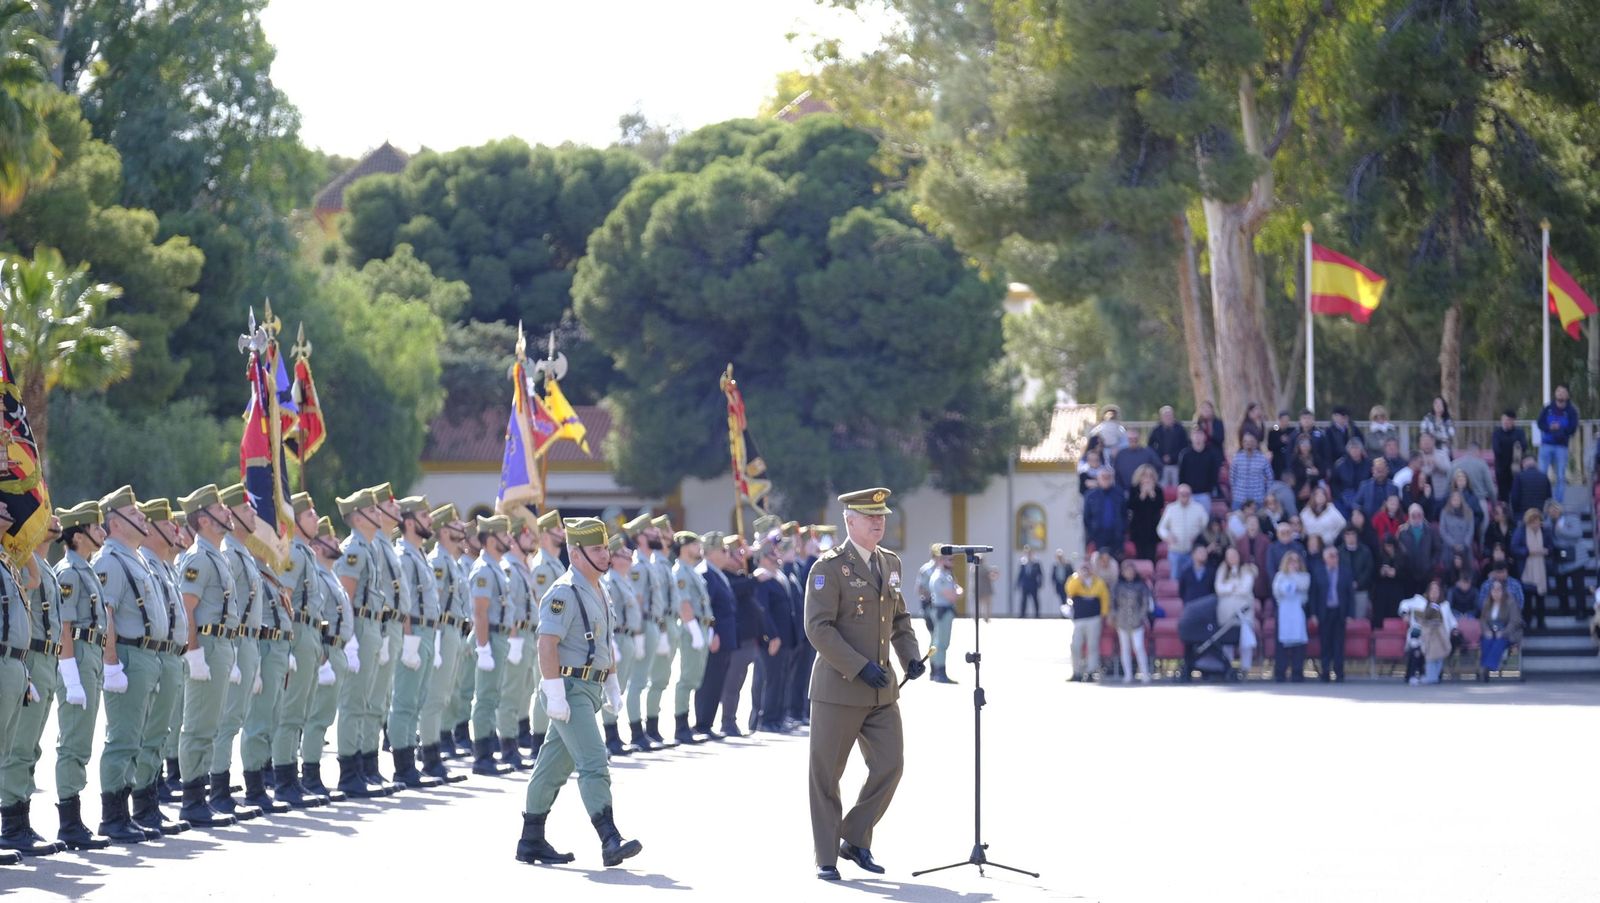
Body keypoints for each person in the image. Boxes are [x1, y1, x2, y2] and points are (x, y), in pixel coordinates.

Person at [804, 488, 923, 881]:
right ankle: (826, 856)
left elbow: (900, 618)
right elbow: (818, 628)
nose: (878, 522)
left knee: (890, 764)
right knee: (826, 774)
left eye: (882, 516)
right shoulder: (829, 567)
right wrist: (859, 667)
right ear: (849, 521)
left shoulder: (890, 563)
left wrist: (911, 657)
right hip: (839, 688)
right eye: (870, 516)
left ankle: (854, 837)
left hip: (881, 691)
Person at [514, 518, 640, 868]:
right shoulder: (565, 591)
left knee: (551, 767)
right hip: (569, 688)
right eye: (598, 549)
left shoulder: (599, 590)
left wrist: (611, 681)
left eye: (605, 547)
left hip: (589, 686)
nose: (606, 554)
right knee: (594, 761)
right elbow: (547, 643)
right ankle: (609, 837)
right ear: (576, 553)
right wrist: (554, 692)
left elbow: (603, 642)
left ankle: (531, 839)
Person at [50, 502, 115, 849]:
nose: (102, 533)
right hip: (77, 653)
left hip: (90, 653)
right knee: (74, 740)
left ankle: (74, 817)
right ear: (78, 536)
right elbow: (64, 626)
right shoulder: (70, 573)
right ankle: (69, 821)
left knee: (82, 739)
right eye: (96, 527)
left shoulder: (85, 569)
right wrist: (70, 674)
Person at [0, 515, 65, 857]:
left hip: (38, 659)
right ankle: (12, 822)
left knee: (28, 747)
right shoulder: (18, 559)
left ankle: (19, 819)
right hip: (28, 657)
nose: (51, 517)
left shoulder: (38, 564)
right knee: (18, 746)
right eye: (41, 512)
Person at [420, 505, 470, 784]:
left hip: (454, 631)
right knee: (435, 696)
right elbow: (436, 602)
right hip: (442, 631)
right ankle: (429, 754)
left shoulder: (452, 561)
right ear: (442, 531)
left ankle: (434, 749)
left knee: (445, 694)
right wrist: (437, 638)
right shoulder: (439, 562)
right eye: (455, 525)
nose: (461, 529)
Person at [1064, 555, 1110, 681]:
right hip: (1079, 619)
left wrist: (1103, 614)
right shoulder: (1075, 580)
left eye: (1088, 568)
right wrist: (1079, 579)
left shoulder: (1098, 582)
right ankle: (1077, 672)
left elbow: (1105, 599)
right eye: (1083, 568)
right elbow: (1069, 591)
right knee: (1075, 646)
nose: (1086, 571)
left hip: (1094, 618)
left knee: (1092, 646)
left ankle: (1090, 672)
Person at [1399, 581, 1455, 685]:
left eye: (1436, 590)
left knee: (1436, 648)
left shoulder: (1444, 605)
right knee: (1416, 646)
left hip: (1437, 638)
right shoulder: (1419, 600)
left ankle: (1429, 675)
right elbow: (1404, 604)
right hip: (1420, 634)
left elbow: (1452, 623)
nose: (1434, 593)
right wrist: (1405, 614)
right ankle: (1411, 675)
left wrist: (1454, 630)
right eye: (1432, 590)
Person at [1311, 546, 1354, 682]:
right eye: (1330, 555)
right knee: (1325, 644)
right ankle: (1325, 673)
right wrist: (1313, 614)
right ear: (1325, 558)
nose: (1334, 558)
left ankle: (1339, 673)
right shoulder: (1318, 572)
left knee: (1338, 644)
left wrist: (1350, 614)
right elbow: (1313, 595)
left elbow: (1350, 595)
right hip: (1324, 612)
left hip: (1339, 612)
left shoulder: (1345, 572)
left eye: (1335, 555)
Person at [1214, 546, 1259, 673]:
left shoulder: (1247, 570)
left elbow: (1246, 589)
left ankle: (1245, 668)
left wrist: (1228, 588)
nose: (1232, 558)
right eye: (1229, 556)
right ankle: (1227, 667)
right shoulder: (1222, 570)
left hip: (1244, 611)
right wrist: (1233, 587)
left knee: (1245, 640)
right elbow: (1219, 588)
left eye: (1234, 555)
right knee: (1227, 640)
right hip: (1226, 612)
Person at [1111, 559, 1153, 683]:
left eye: (1131, 570)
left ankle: (1144, 674)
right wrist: (1114, 616)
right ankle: (1128, 675)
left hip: (1137, 621)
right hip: (1122, 621)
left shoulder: (1141, 585)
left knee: (1139, 647)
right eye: (1126, 570)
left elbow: (1145, 602)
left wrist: (1141, 616)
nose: (1129, 573)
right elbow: (1113, 603)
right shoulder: (1117, 586)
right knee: (1125, 648)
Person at [1537, 385, 1580, 502]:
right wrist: (1549, 428)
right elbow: (1539, 423)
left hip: (1562, 448)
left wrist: (1560, 429)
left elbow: (1573, 428)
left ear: (1567, 395)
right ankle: (1542, 501)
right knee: (1542, 475)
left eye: (1563, 392)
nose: (1560, 394)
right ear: (1555, 394)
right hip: (1546, 446)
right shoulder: (1547, 408)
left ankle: (1558, 505)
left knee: (1560, 477)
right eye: (1558, 391)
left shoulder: (1571, 411)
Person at [1272, 552, 1310, 682]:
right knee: (1281, 645)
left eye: (1296, 561)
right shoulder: (1280, 576)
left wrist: (1293, 576)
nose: (1293, 564)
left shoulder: (1304, 576)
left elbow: (1303, 587)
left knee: (1298, 645)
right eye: (1290, 561)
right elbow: (1277, 591)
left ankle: (1297, 672)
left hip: (1298, 613)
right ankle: (1280, 672)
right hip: (1283, 613)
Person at [1157, 483, 1207, 578]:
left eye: (1186, 493)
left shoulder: (1199, 508)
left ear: (1190, 494)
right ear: (1177, 494)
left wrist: (1197, 536)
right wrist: (1167, 536)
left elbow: (1205, 527)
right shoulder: (1171, 508)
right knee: (1175, 580)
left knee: (1191, 579)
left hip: (1192, 553)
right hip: (1175, 552)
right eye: (1182, 493)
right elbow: (1161, 528)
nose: (1184, 496)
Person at [1511, 508, 1550, 630]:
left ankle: (1541, 622)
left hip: (1541, 568)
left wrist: (1546, 551)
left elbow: (1551, 546)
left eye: (1537, 520)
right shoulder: (1521, 531)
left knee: (1540, 597)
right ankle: (1527, 621)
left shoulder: (1544, 531)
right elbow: (1514, 548)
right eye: (1533, 521)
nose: (1535, 523)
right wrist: (1528, 551)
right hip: (1526, 568)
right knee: (1527, 598)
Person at [926, 550, 961, 683]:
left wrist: (957, 591)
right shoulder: (939, 576)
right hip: (942, 611)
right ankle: (939, 672)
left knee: (939, 642)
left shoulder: (947, 575)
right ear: (941, 560)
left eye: (953, 560)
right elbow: (952, 595)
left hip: (945, 611)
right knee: (940, 643)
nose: (952, 563)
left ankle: (936, 671)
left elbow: (957, 591)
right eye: (949, 560)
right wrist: (957, 592)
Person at [1477, 578, 1523, 680]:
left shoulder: (1510, 602)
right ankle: (1485, 670)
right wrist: (1486, 631)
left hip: (1506, 632)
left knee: (1499, 641)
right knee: (1486, 641)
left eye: (1498, 590)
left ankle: (1487, 667)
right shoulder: (1487, 603)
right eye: (1494, 590)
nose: (1496, 593)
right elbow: (1483, 619)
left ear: (1503, 591)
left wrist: (1503, 632)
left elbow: (1514, 621)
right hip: (1490, 631)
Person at [1083, 468, 1126, 558]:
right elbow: (1086, 517)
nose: (1106, 479)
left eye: (1108, 477)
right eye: (1103, 477)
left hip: (1115, 535)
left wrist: (1122, 530)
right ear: (1098, 478)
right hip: (1097, 536)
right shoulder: (1090, 495)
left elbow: (1124, 514)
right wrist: (1092, 533)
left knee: (1115, 562)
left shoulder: (1119, 494)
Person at [1177, 428, 1224, 509]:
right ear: (1191, 437)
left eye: (1200, 434)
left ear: (1204, 437)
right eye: (1195, 434)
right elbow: (1181, 475)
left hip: (1204, 495)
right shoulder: (1185, 455)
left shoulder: (1211, 455)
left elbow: (1214, 475)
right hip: (1189, 495)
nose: (1197, 437)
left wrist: (1209, 490)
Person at [1126, 466, 1163, 562]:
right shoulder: (1134, 489)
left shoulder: (1158, 490)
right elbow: (1131, 505)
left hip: (1153, 527)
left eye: (1150, 476)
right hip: (1138, 527)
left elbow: (1160, 505)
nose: (1148, 478)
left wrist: (1152, 494)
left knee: (1152, 555)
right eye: (1145, 475)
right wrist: (1142, 495)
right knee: (1140, 555)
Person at [1491, 409, 1528, 503]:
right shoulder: (1497, 433)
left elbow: (1524, 446)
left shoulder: (1519, 432)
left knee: (1516, 491)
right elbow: (1496, 449)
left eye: (1509, 420)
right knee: (1503, 494)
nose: (1506, 423)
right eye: (1505, 420)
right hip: (1501, 467)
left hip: (1516, 466)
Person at [1229, 432, 1273, 509]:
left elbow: (1270, 477)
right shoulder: (1237, 458)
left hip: (1257, 499)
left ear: (1256, 443)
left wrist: (1267, 493)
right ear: (1242, 443)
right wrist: (1235, 492)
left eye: (1251, 441)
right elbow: (1232, 477)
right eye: (1245, 441)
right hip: (1239, 498)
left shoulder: (1262, 459)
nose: (1248, 444)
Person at [1329, 439, 1371, 517]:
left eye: (1357, 448)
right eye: (1352, 448)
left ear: (1361, 450)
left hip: (1363, 496)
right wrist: (1339, 496)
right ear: (1348, 450)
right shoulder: (1340, 464)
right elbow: (1333, 483)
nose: (1355, 451)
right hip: (1344, 496)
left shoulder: (1369, 464)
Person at [1150, 405, 1189, 486]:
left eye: (1170, 415)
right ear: (1161, 417)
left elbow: (1185, 446)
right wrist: (1160, 457)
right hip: (1161, 465)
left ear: (1173, 416)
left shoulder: (1180, 429)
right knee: (1162, 487)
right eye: (1165, 416)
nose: (1168, 418)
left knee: (1176, 487)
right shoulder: (1156, 430)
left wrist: (1172, 457)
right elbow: (1150, 446)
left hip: (1176, 464)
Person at [1509, 455, 1553, 521]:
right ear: (1535, 464)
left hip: (1523, 515)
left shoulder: (1519, 477)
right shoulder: (1544, 477)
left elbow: (1514, 498)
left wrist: (1515, 513)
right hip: (1539, 515)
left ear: (1523, 464)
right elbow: (1549, 497)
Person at [1355, 456, 1400, 521]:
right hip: (1368, 521)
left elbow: (1398, 507)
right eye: (1378, 471)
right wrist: (1359, 512)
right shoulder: (1364, 486)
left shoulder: (1394, 488)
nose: (1380, 474)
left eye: (1382, 470)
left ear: (1387, 470)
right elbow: (1356, 503)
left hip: (1387, 522)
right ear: (1372, 470)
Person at [1438, 491, 1476, 566]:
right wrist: (1453, 544)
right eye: (1454, 499)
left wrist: (1465, 544)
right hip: (1449, 547)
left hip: (1465, 547)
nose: (1456, 502)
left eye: (1458, 499)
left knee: (1466, 571)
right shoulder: (1444, 512)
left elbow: (1470, 529)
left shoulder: (1469, 512)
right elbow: (1443, 530)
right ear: (1450, 500)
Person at [1289, 436, 1324, 505]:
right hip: (1299, 488)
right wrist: (1310, 471)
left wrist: (1317, 473)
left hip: (1314, 488)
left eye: (1307, 444)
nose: (1305, 447)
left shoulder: (1316, 457)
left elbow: (1322, 472)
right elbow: (1295, 474)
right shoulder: (1294, 459)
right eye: (1302, 444)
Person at [1015, 550, 1044, 617]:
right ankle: (1022, 614)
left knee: (1035, 600)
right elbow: (1020, 574)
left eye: (1030, 554)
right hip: (1025, 585)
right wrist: (1018, 583)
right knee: (1023, 600)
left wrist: (1040, 583)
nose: (1029, 555)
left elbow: (1040, 574)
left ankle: (1037, 614)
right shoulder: (1023, 563)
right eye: (1027, 554)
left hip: (1034, 585)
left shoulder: (1036, 564)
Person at [1268, 409, 1295, 477]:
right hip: (1277, 462)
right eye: (1283, 420)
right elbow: (1270, 447)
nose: (1285, 423)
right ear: (1280, 420)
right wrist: (1281, 442)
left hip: (1289, 461)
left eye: (1287, 420)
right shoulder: (1273, 432)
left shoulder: (1292, 431)